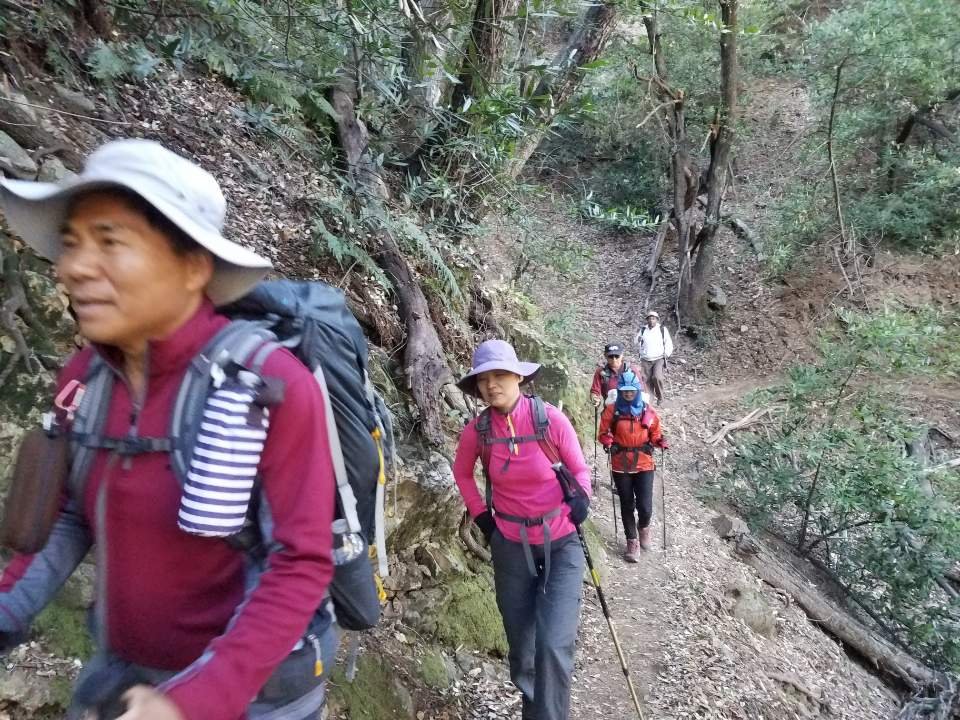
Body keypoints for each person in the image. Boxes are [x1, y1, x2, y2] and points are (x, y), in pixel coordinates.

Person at [0, 139, 338, 720]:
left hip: (249, 697)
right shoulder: (85, 380)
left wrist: (192, 702)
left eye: (110, 241)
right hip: (125, 682)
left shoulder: (268, 385)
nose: (74, 267)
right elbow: (69, 517)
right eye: (72, 243)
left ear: (193, 266)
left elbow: (299, 562)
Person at [453, 339, 591, 720]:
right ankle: (537, 710)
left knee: (553, 642)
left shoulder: (550, 420)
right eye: (483, 379)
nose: (491, 385)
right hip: (511, 547)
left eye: (499, 375)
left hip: (562, 541)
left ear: (518, 376)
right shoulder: (478, 431)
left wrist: (582, 499)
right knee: (523, 648)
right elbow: (462, 473)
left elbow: (579, 471)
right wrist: (482, 516)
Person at [598, 370, 668, 562]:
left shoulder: (648, 411)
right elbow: (602, 432)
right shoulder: (611, 411)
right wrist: (607, 439)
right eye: (625, 390)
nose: (628, 393)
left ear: (637, 390)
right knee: (627, 503)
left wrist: (660, 441)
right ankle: (632, 542)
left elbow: (655, 433)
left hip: (644, 462)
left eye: (631, 390)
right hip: (621, 463)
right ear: (620, 391)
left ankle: (644, 526)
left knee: (645, 506)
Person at [633, 311, 673, 405]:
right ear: (647, 320)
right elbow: (636, 342)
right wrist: (638, 340)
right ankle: (649, 401)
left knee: (657, 377)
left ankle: (660, 397)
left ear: (657, 320)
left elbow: (669, 343)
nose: (651, 320)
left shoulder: (662, 329)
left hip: (659, 358)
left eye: (653, 318)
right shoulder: (643, 329)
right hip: (645, 358)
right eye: (649, 318)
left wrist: (666, 354)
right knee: (646, 380)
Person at [589, 342, 643, 408]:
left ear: (622, 355)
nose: (614, 359)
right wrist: (595, 399)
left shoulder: (632, 370)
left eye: (617, 356)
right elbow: (595, 391)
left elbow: (641, 389)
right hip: (609, 409)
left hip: (631, 409)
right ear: (605, 356)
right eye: (610, 356)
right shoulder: (601, 372)